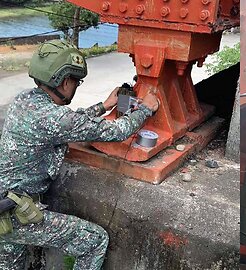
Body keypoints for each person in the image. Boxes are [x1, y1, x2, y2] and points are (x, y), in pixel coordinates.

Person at [0, 39, 159, 270]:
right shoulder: (56, 119)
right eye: (77, 82)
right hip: (16, 214)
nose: (76, 86)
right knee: (94, 241)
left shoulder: (24, 101)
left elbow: (67, 123)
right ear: (65, 81)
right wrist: (146, 108)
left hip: (3, 207)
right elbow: (117, 131)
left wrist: (104, 106)